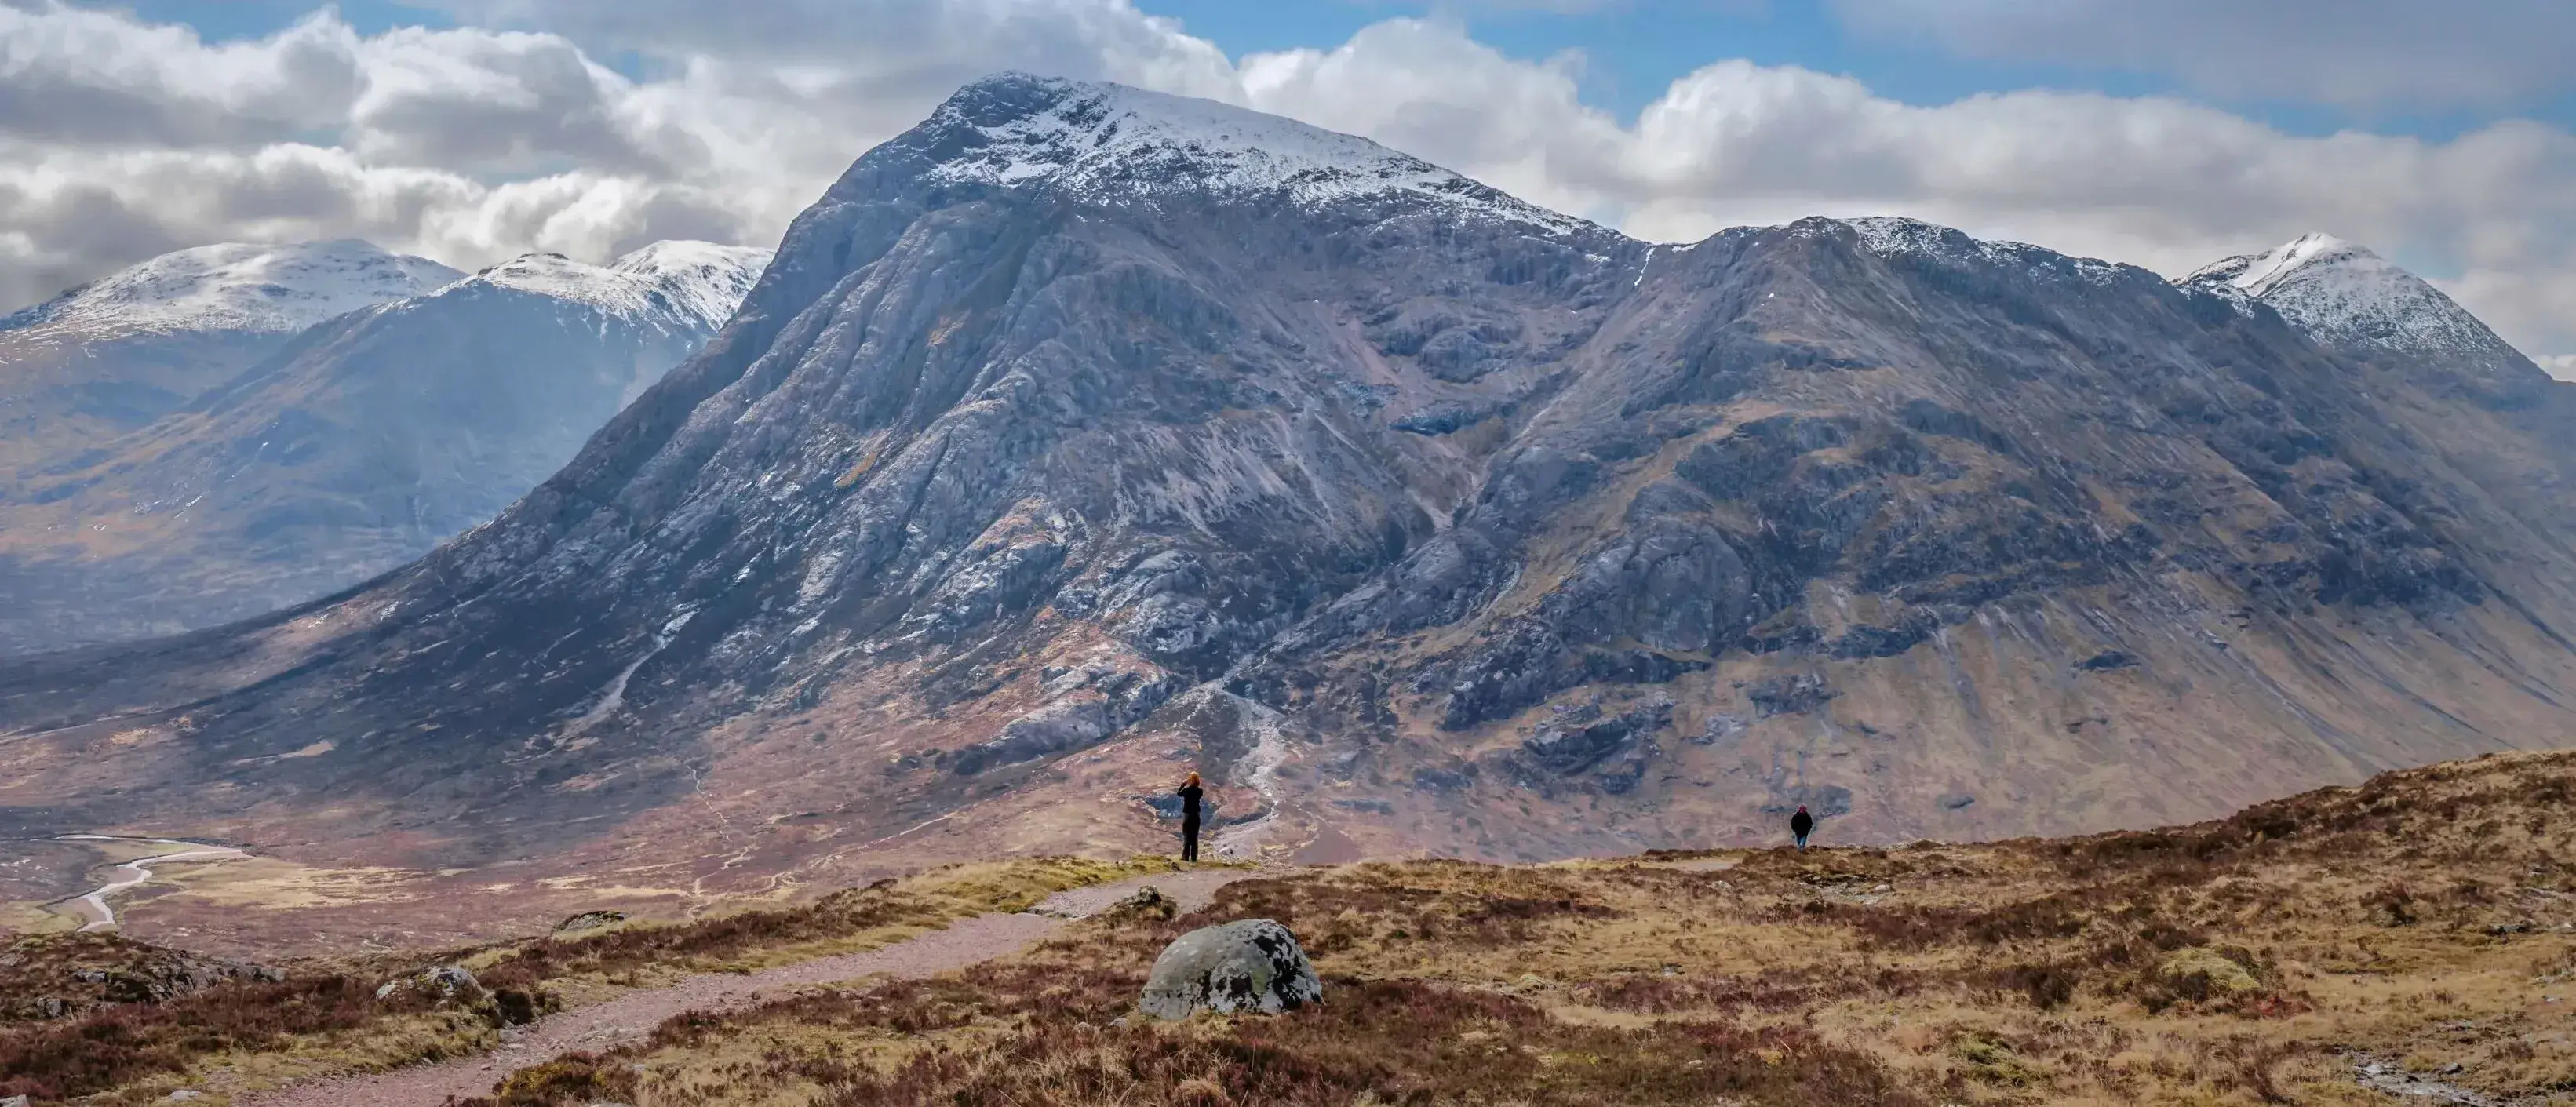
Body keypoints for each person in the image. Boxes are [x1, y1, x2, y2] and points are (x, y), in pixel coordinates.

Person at [1176, 771, 1204, 862]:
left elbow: (1179, 793)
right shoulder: (1200, 791)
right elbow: (1197, 792)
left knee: (1187, 835)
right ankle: (1194, 858)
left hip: (1187, 814)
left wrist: (1183, 784)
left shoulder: (1186, 791)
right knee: (1194, 836)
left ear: (1190, 780)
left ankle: (1185, 857)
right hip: (1196, 814)